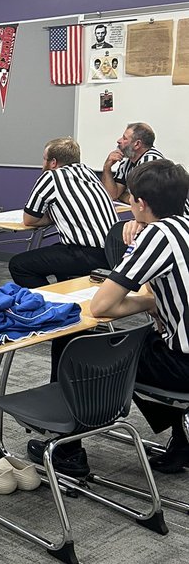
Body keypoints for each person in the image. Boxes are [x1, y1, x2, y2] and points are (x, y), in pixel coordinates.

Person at [90, 160, 189, 474]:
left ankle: (67, 446)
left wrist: (147, 302)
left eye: (129, 198)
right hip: (181, 348)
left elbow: (100, 307)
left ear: (141, 203)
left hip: (184, 365)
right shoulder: (182, 225)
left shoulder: (157, 236)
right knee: (146, 339)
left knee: (89, 349)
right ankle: (182, 439)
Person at [8, 137, 117, 289]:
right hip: (114, 251)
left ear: (53, 162)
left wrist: (51, 218)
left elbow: (29, 219)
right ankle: (66, 296)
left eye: (44, 159)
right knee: (56, 253)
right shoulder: (88, 172)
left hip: (88, 254)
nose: (42, 164)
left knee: (19, 265)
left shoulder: (50, 177)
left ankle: (50, 302)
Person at [101, 122, 165, 203]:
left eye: (124, 138)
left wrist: (122, 196)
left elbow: (142, 201)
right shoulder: (126, 163)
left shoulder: (151, 161)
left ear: (137, 144)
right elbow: (112, 195)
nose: (119, 141)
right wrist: (107, 167)